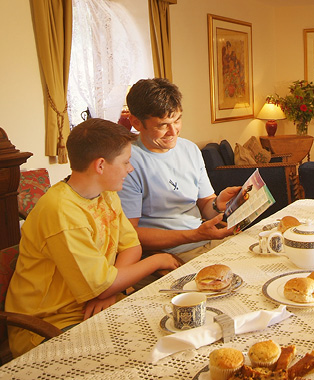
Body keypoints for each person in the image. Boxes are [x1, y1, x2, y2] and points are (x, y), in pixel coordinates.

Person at [6, 118, 180, 357]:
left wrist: (107, 290)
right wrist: (157, 260)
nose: (130, 169)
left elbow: (131, 245)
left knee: (171, 332)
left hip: (95, 302)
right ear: (100, 165)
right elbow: (103, 284)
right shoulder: (61, 211)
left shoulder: (105, 193)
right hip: (49, 324)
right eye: (126, 162)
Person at [118, 78, 241, 264]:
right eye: (162, 125)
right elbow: (129, 234)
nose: (173, 132)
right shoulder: (127, 161)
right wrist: (194, 235)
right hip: (168, 254)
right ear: (136, 122)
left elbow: (205, 204)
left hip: (206, 240)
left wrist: (217, 204)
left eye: (177, 120)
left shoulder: (189, 150)